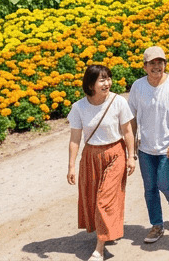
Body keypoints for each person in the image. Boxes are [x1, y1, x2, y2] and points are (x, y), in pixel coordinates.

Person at [67, 64, 136, 261]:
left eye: (108, 78)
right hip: (90, 157)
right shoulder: (79, 107)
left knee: (104, 200)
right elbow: (74, 139)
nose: (107, 83)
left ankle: (100, 248)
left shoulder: (118, 102)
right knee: (93, 198)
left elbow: (128, 132)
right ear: (91, 84)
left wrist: (131, 156)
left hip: (115, 154)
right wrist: (71, 166)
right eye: (102, 80)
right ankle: (106, 230)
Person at [128, 46, 169, 244]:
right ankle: (156, 225)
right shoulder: (138, 86)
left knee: (165, 183)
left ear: (165, 64)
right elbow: (132, 117)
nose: (156, 66)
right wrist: (132, 146)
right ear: (144, 66)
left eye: (160, 62)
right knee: (150, 188)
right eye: (152, 63)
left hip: (167, 147)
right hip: (145, 147)